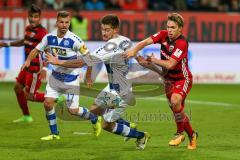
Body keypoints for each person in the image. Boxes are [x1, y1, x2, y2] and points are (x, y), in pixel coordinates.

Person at [46, 14, 150, 150]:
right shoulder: (125, 40)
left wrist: (58, 61)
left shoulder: (108, 48)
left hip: (121, 91)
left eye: (107, 30)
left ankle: (140, 135)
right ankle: (127, 125)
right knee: (95, 109)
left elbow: (82, 62)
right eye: (103, 29)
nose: (104, 33)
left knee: (106, 125)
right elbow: (134, 54)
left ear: (115, 30)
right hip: (113, 87)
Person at [22, 11, 99, 140]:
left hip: (71, 80)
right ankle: (54, 134)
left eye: (67, 22)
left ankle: (94, 118)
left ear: (69, 23)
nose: (64, 25)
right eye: (62, 22)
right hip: (55, 78)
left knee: (73, 111)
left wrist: (89, 76)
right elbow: (36, 49)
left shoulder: (74, 40)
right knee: (47, 103)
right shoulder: (49, 38)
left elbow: (89, 59)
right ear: (56, 23)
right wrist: (28, 60)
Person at [124, 13, 198, 150]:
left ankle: (179, 134)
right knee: (177, 110)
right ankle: (192, 135)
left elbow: (170, 64)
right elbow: (145, 42)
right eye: (168, 27)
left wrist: (153, 60)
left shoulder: (181, 43)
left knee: (176, 101)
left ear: (180, 29)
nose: (169, 30)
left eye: (173, 27)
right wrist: (135, 52)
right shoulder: (163, 35)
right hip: (168, 79)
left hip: (182, 78)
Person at [0, 4, 48, 123]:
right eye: (31, 16)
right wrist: (8, 44)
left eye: (35, 16)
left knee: (29, 96)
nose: (33, 19)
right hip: (26, 67)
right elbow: (25, 41)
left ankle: (57, 98)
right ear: (28, 16)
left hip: (36, 69)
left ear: (39, 18)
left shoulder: (43, 33)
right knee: (17, 88)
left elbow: (49, 51)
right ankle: (26, 116)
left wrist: (45, 68)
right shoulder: (28, 29)